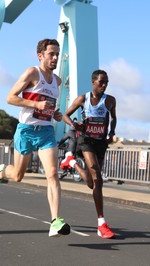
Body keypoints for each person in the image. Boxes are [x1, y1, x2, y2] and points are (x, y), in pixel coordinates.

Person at [0, 38, 70, 237]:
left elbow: (48, 106)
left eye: (57, 54)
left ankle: (55, 221)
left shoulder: (57, 81)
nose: (55, 57)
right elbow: (10, 97)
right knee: (18, 176)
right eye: (52, 54)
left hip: (46, 132)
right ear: (40, 55)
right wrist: (35, 105)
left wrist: (55, 113)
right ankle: (0, 173)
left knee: (52, 174)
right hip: (26, 130)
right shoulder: (32, 73)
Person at [61, 69, 117, 239]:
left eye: (106, 82)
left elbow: (114, 118)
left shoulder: (110, 101)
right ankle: (101, 223)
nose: (104, 85)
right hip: (86, 140)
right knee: (97, 175)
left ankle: (71, 163)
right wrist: (74, 124)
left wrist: (111, 133)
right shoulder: (82, 99)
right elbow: (65, 115)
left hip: (101, 142)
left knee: (93, 183)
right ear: (93, 82)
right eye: (101, 82)